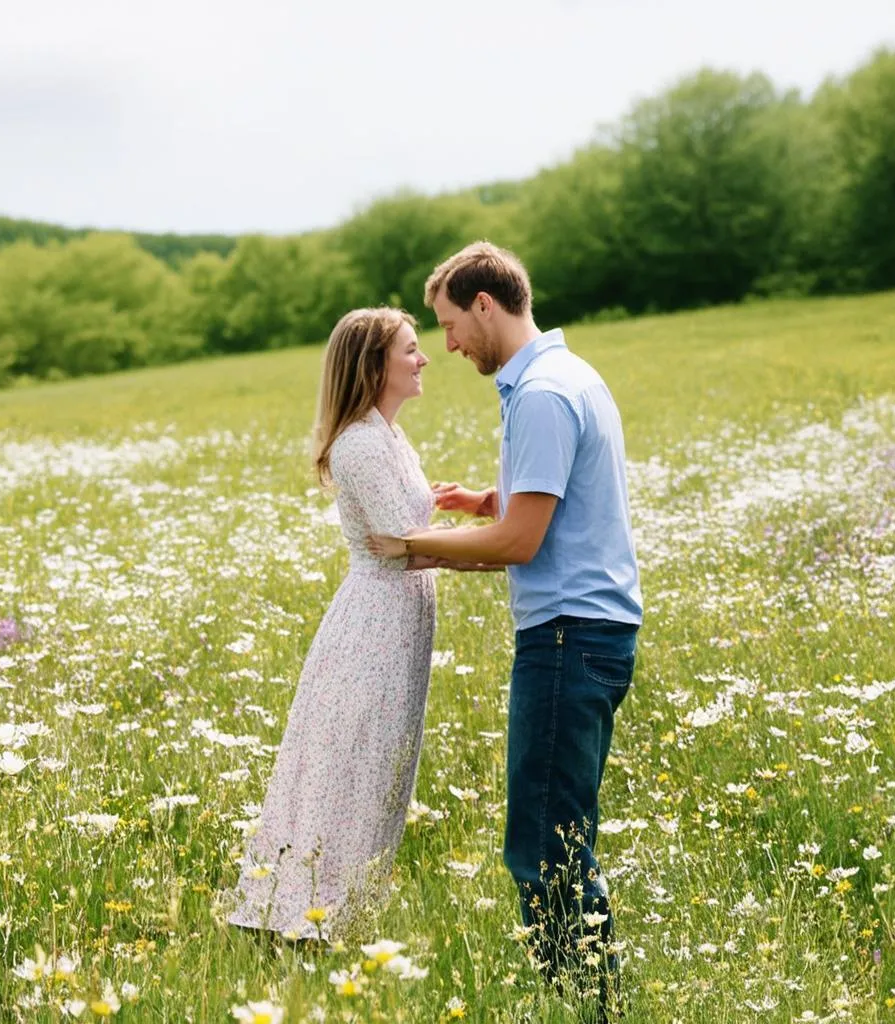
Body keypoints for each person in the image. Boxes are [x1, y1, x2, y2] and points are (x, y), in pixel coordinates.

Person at [368, 243, 642, 1017]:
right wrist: (488, 499)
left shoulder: (546, 392)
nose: (448, 345)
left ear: (485, 306)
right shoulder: (563, 376)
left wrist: (413, 547)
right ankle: (587, 999)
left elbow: (523, 545)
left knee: (545, 847)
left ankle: (586, 1005)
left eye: (452, 325)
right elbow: (553, 501)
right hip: (587, 633)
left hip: (567, 637)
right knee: (558, 834)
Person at [228, 306, 486, 942]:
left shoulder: (390, 436)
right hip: (373, 624)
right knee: (351, 767)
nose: (424, 358)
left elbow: (411, 529)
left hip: (397, 619)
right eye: (410, 350)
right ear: (374, 366)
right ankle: (307, 919)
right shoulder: (362, 444)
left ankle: (340, 916)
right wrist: (502, 552)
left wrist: (454, 509)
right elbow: (404, 545)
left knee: (377, 768)